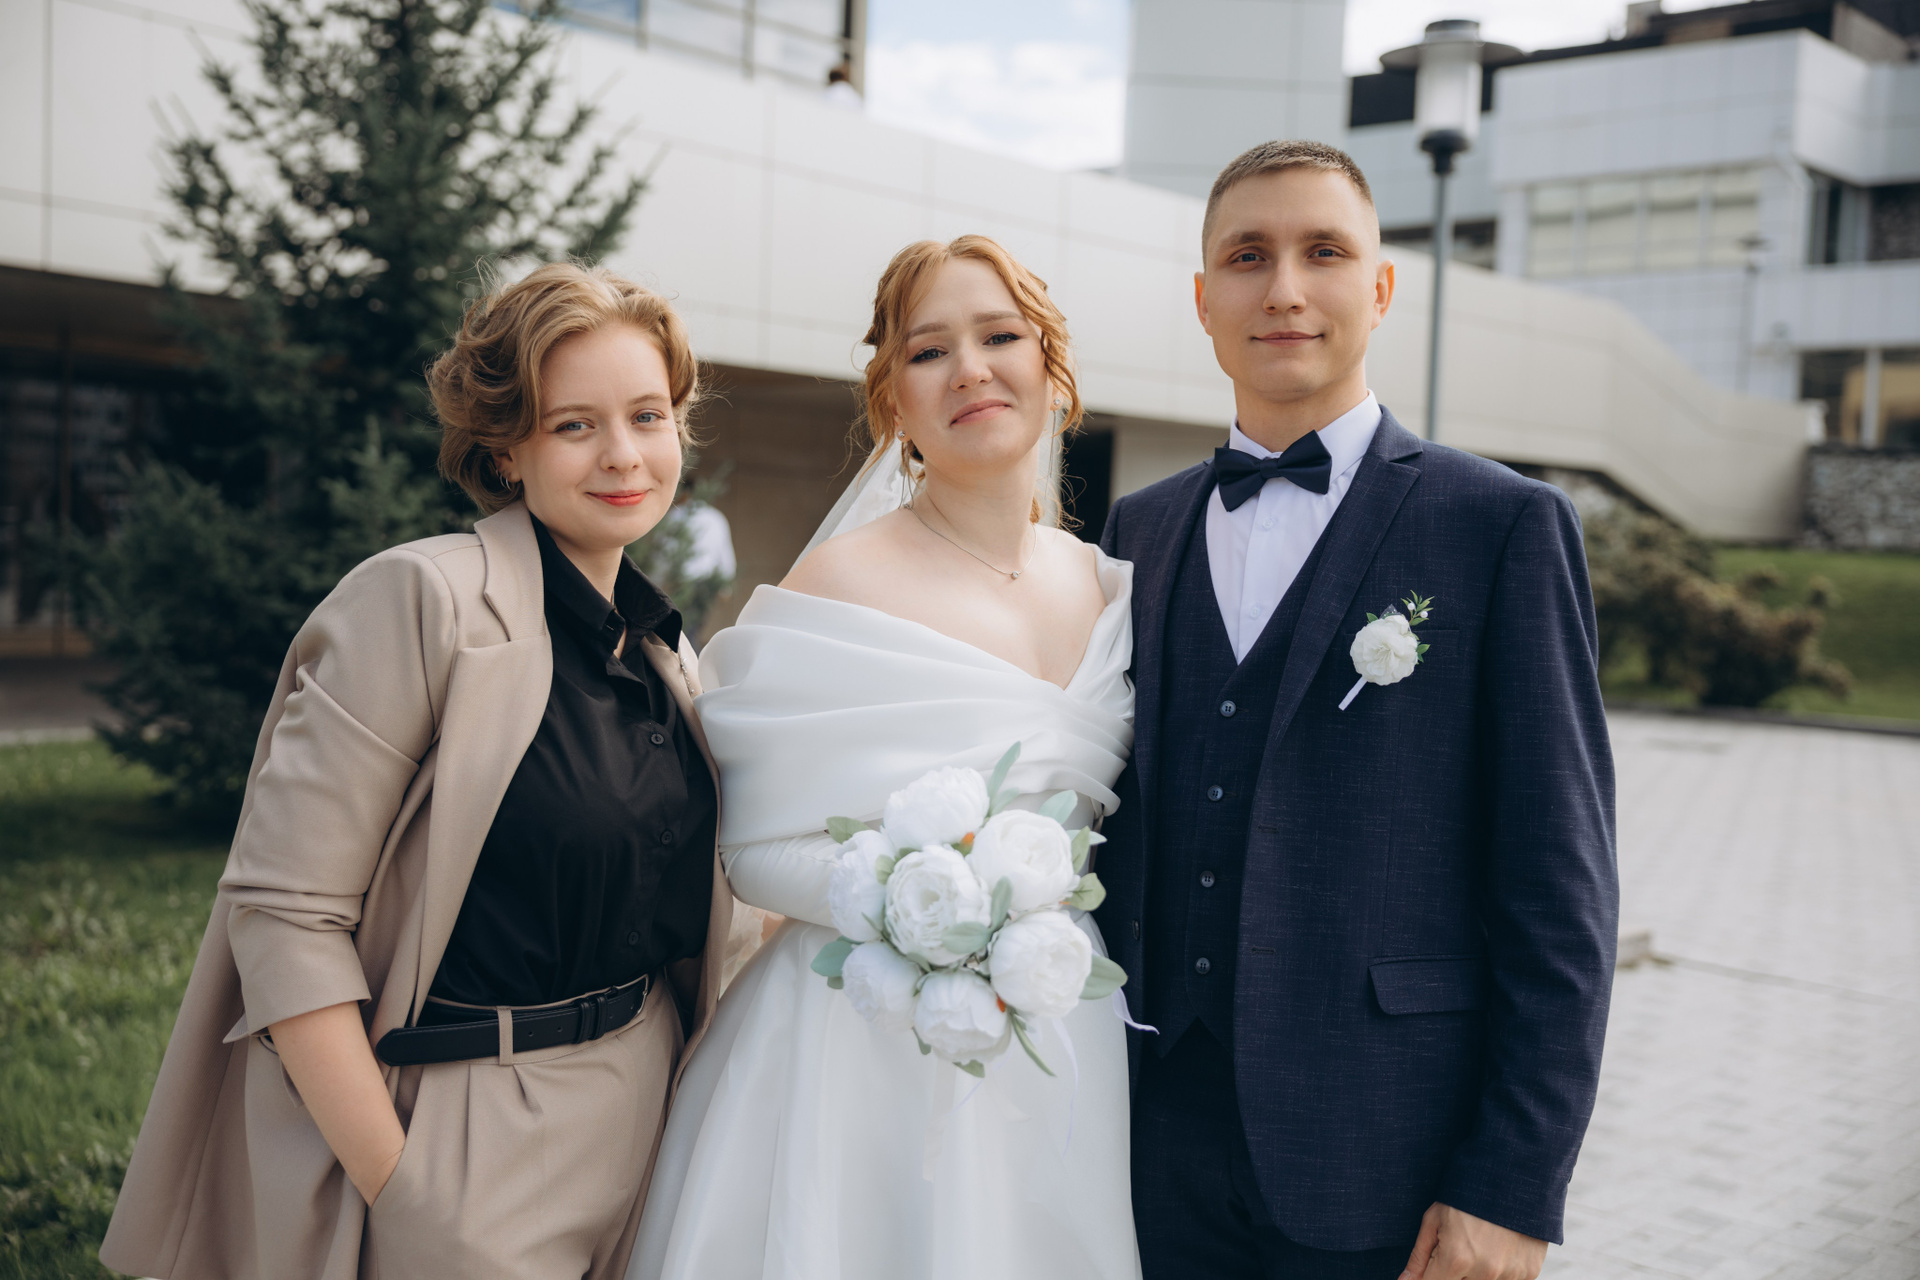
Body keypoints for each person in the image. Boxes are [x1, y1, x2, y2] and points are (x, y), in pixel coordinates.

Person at [99, 263, 735, 1280]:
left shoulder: (663, 651)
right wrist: (400, 1186)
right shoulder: (420, 600)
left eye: (647, 416)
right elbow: (283, 917)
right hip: (470, 1124)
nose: (623, 453)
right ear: (506, 448)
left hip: (647, 1109)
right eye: (574, 425)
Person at [1095, 140, 1617, 1280]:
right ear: (1203, 300)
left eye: (1323, 252)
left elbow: (1561, 889)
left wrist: (1512, 1182)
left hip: (1386, 1149)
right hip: (1148, 1139)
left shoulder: (1502, 525)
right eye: (1247, 256)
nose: (1283, 288)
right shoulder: (1140, 528)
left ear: (1380, 289)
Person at [627, 235, 1142, 1280]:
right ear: (892, 398)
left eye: (1001, 337)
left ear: (1052, 367)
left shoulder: (1109, 585)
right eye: (928, 351)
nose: (970, 370)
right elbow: (750, 851)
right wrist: (929, 906)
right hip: (850, 1043)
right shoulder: (838, 581)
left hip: (1054, 1030)